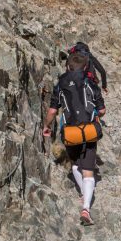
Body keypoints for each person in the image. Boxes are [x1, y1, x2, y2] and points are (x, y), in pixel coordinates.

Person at [43, 53, 106, 225]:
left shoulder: (60, 84)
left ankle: (82, 193)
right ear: (86, 67)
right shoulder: (91, 84)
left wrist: (46, 126)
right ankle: (86, 208)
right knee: (89, 171)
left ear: (67, 67)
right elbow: (101, 111)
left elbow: (52, 111)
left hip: (70, 132)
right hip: (90, 131)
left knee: (76, 164)